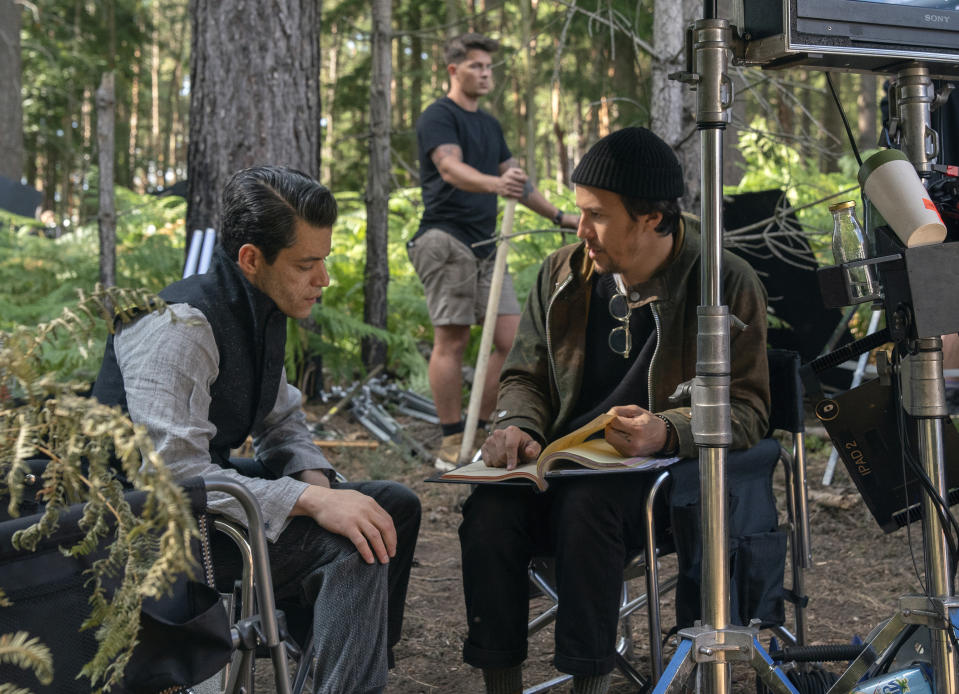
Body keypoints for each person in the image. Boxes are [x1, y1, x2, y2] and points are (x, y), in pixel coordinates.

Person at [457, 127, 770, 694]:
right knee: (489, 510)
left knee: (587, 505)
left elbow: (746, 407)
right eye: (580, 213)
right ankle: (499, 682)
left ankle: (590, 682)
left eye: (597, 215)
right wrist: (516, 426)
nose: (581, 231)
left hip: (667, 484)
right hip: (563, 465)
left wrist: (666, 431)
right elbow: (524, 375)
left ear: (652, 217)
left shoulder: (721, 279)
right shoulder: (562, 274)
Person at [93, 166, 421, 694]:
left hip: (206, 497)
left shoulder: (264, 305)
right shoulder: (180, 326)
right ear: (252, 259)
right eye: (306, 265)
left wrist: (318, 485)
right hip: (144, 526)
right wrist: (311, 505)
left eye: (324, 261)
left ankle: (340, 667)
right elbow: (173, 478)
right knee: (349, 547)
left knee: (393, 506)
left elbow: (281, 420)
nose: (323, 280)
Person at [409, 32, 579, 471]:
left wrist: (562, 217)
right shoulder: (439, 115)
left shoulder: (489, 125)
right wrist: (493, 184)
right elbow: (450, 168)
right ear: (453, 70)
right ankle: (451, 439)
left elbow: (516, 183)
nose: (485, 74)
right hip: (446, 240)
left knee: (508, 341)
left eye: (488, 67)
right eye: (476, 66)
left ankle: (481, 427)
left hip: (490, 247)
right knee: (453, 339)